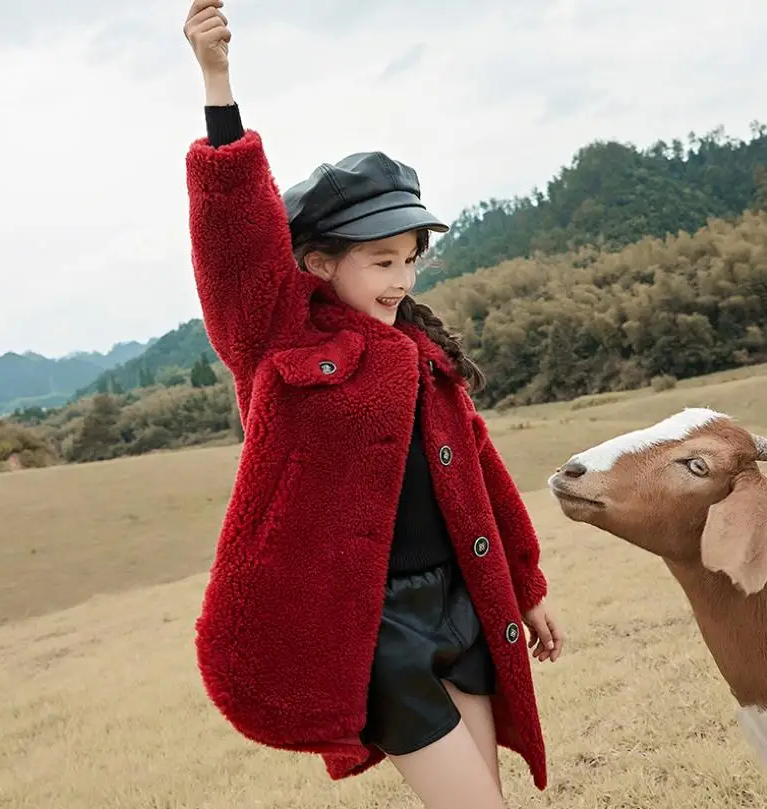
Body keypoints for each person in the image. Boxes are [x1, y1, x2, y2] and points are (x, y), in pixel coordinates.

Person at [183, 2, 564, 807]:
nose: (401, 279)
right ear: (317, 262)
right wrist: (217, 81)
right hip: (372, 630)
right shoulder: (274, 343)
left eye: (411, 261)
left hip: (461, 606)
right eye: (381, 260)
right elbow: (237, 242)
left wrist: (524, 585)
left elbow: (481, 470)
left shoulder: (423, 356)